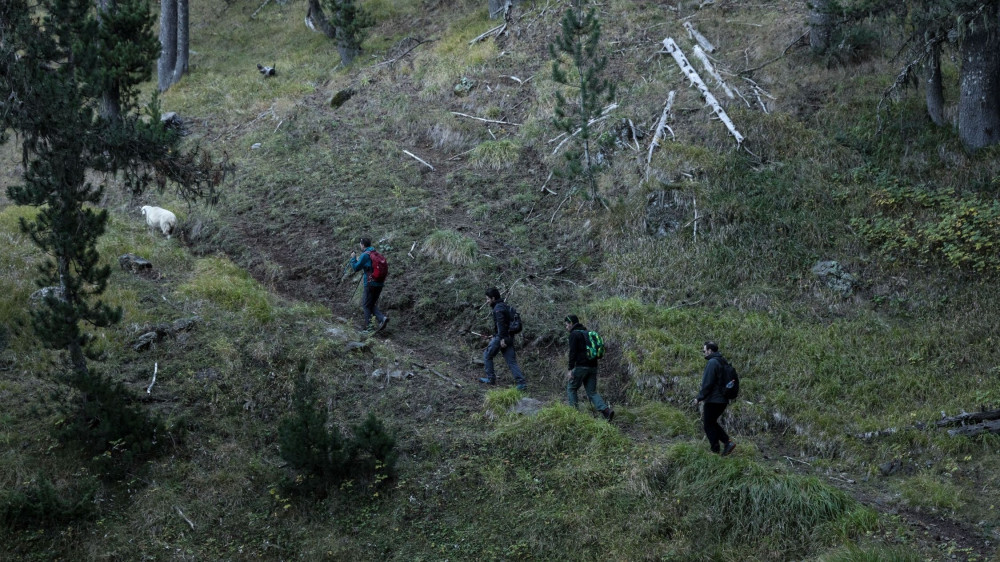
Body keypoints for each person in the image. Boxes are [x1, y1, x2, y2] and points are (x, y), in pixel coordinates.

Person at [564, 315, 614, 422]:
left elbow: (572, 353)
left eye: (567, 324)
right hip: (593, 367)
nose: (566, 327)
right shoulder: (587, 333)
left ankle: (574, 416)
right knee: (592, 392)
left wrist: (570, 369)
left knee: (571, 388)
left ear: (572, 323)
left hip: (581, 367)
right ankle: (606, 411)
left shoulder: (574, 334)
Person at [692, 341, 736, 456]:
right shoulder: (722, 361)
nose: (704, 353)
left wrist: (699, 397)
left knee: (708, 424)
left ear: (710, 351)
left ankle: (717, 448)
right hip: (723, 399)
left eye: (704, 351)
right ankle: (725, 444)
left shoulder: (712, 362)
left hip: (714, 399)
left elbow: (708, 383)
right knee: (711, 422)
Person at [479, 288, 527, 391]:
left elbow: (501, 326)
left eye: (487, 299)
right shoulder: (504, 306)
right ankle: (521, 383)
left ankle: (490, 379)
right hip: (509, 337)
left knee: (487, 355)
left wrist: (502, 339)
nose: (487, 301)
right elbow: (505, 325)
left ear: (493, 298)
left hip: (502, 338)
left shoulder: (498, 309)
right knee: (511, 361)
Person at [349, 237, 388, 333]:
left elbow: (356, 268)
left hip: (370, 283)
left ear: (362, 245)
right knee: (370, 304)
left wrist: (353, 258)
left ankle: (368, 328)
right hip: (379, 283)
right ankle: (382, 318)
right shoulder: (375, 253)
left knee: (366, 305)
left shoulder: (364, 255)